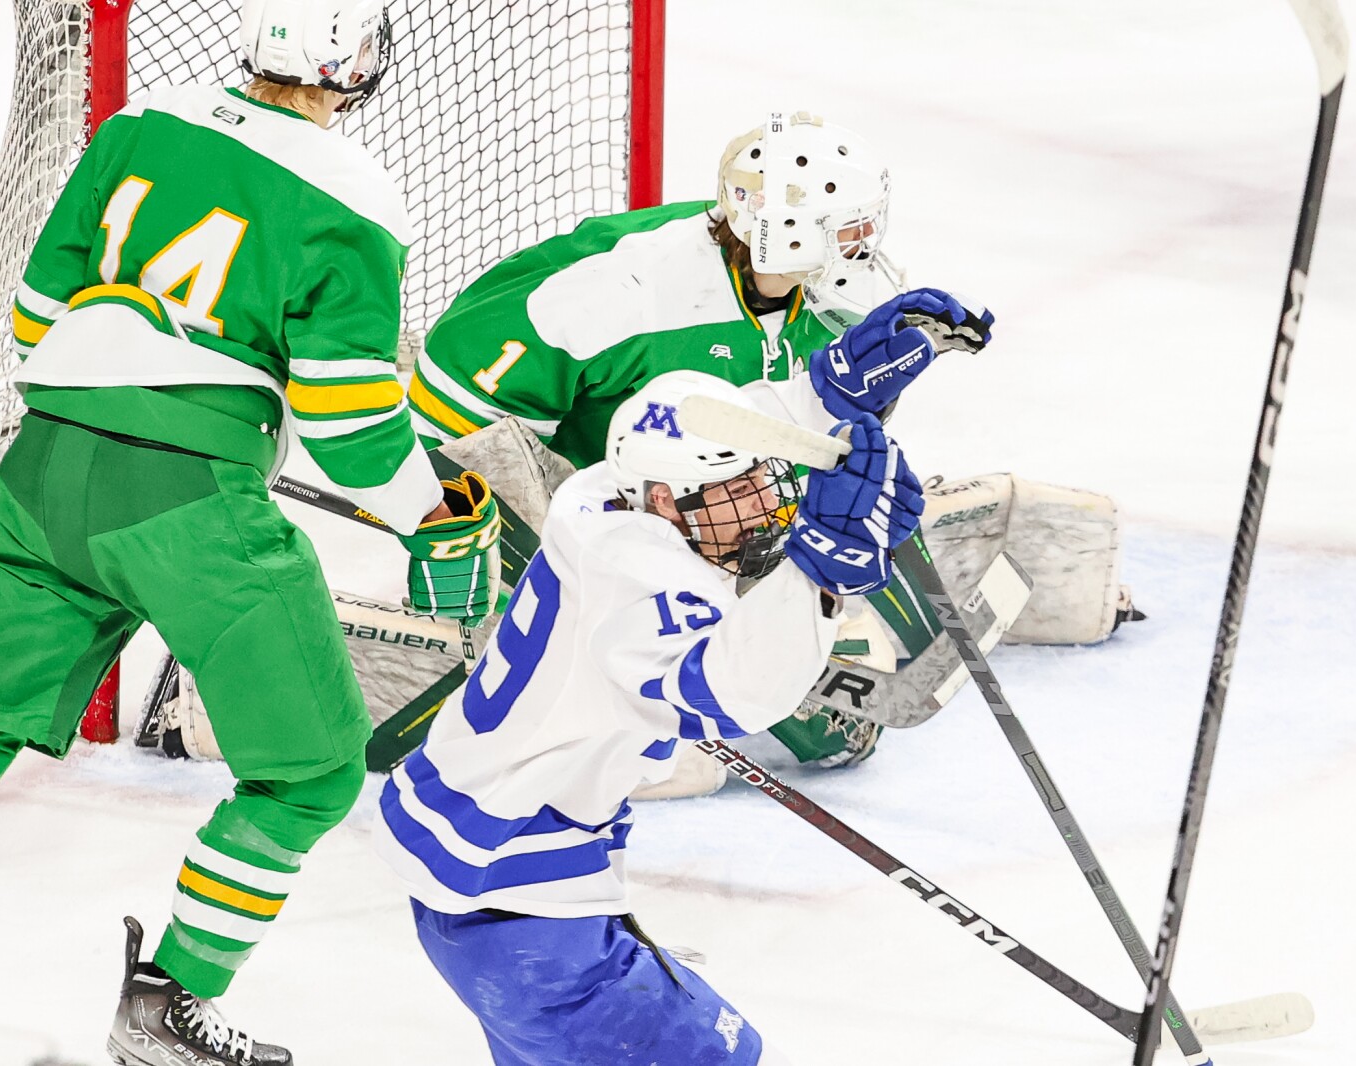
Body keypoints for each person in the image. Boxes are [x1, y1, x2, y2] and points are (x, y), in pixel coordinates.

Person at [0, 3, 498, 1064]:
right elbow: (352, 422)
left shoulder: (140, 123)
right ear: (352, 60)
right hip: (191, 509)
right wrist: (431, 519)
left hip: (42, 474)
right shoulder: (351, 191)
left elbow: (37, 313)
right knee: (310, 774)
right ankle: (166, 1007)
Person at [403, 111, 992, 768]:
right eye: (847, 232)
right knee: (791, 721)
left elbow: (792, 422)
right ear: (788, 237)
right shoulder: (617, 290)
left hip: (704, 494)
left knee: (833, 705)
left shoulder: (829, 294)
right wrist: (522, 553)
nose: (863, 248)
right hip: (605, 508)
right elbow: (452, 420)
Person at [373, 369, 927, 1064]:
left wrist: (831, 389)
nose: (765, 505)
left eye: (761, 479)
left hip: (475, 860)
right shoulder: (640, 586)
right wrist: (820, 570)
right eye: (739, 491)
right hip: (518, 901)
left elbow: (717, 425)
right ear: (665, 499)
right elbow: (730, 694)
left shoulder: (602, 495)